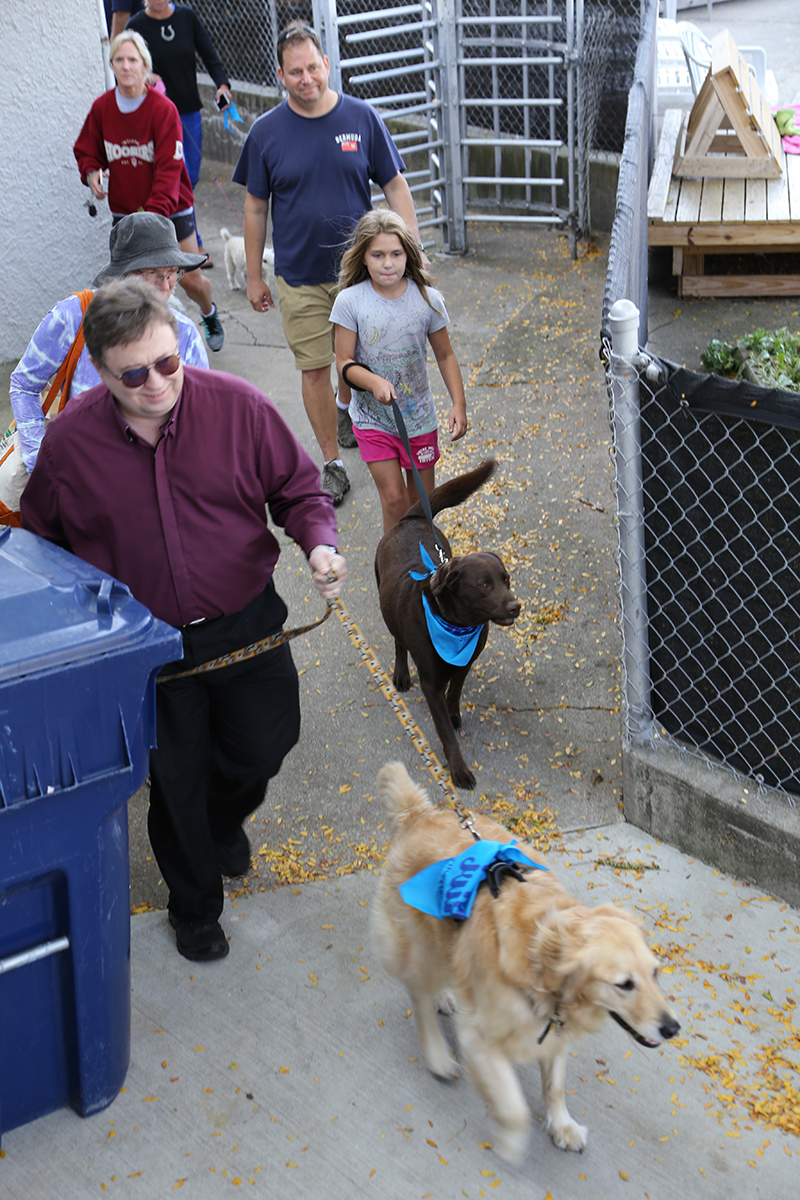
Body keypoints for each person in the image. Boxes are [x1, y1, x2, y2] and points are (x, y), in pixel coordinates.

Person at [21, 278, 347, 964]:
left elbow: (296, 488)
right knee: (176, 781)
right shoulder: (71, 444)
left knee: (266, 744)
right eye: (134, 374)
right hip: (144, 647)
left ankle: (224, 820)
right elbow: (44, 546)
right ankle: (194, 906)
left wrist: (318, 542)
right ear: (103, 372)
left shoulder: (239, 407)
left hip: (245, 623)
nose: (156, 383)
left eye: (167, 363)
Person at [232, 21, 428, 508]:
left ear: (326, 65)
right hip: (298, 275)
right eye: (295, 72)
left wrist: (414, 253)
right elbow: (256, 207)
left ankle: (350, 410)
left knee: (362, 364)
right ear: (281, 74)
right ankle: (332, 462)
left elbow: (396, 186)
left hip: (361, 277)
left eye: (313, 68)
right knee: (316, 369)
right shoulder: (265, 133)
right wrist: (254, 274)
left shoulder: (361, 117)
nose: (306, 79)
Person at [10, 211, 208, 474]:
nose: (166, 286)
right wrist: (40, 461)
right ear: (124, 274)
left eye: (173, 273)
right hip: (80, 477)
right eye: (154, 273)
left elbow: (200, 415)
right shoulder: (74, 315)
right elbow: (24, 385)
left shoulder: (185, 334)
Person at [73, 30, 225, 353]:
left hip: (169, 208)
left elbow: (170, 170)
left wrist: (151, 216)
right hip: (126, 213)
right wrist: (92, 172)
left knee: (190, 281)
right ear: (111, 64)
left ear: (146, 66)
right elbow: (87, 149)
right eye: (119, 60)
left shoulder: (163, 109)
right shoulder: (102, 109)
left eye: (133, 60)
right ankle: (149, 345)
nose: (126, 67)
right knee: (133, 286)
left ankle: (209, 312)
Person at [331, 210, 468, 532]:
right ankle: (397, 572)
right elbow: (343, 363)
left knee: (423, 506)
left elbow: (446, 355)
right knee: (393, 501)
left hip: (418, 419)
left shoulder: (427, 299)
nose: (387, 263)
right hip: (373, 419)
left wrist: (458, 404)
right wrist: (373, 381)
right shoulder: (350, 302)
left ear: (409, 253)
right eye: (377, 255)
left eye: (395, 254)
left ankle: (425, 570)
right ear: (363, 257)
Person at [125, 1, 233, 261]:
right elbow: (126, 66)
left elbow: (209, 54)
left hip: (189, 113)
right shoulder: (136, 25)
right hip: (157, 117)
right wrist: (145, 77)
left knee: (191, 177)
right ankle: (191, 245)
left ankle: (179, 236)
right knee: (175, 176)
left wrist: (222, 85)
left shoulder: (187, 16)